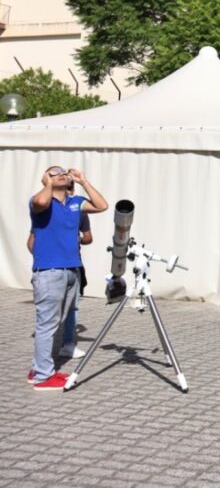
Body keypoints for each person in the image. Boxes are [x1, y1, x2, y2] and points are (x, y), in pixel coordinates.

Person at [28, 166, 108, 390]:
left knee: (59, 320)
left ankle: (37, 369)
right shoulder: (39, 201)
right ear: (45, 178)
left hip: (72, 269)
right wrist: (48, 184)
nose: (61, 173)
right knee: (47, 325)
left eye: (64, 171)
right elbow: (42, 203)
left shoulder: (75, 203)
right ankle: (43, 377)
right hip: (49, 272)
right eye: (54, 172)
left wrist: (84, 180)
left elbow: (102, 206)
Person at [27, 180, 93, 360]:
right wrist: (46, 255)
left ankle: (67, 345)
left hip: (73, 265)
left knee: (72, 309)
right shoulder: (43, 205)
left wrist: (73, 240)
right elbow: (32, 241)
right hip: (50, 269)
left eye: (70, 187)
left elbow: (90, 232)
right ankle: (42, 371)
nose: (69, 191)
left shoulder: (77, 207)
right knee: (48, 321)